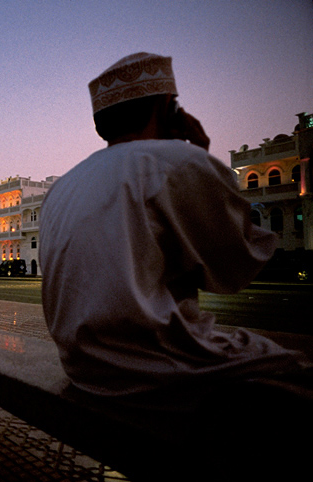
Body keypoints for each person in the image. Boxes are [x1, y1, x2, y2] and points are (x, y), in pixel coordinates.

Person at [40, 52, 312, 478]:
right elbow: (235, 269)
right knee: (299, 371)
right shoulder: (178, 163)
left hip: (84, 368)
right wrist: (200, 152)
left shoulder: (64, 186)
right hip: (157, 373)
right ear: (169, 109)